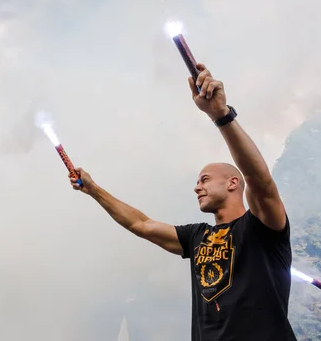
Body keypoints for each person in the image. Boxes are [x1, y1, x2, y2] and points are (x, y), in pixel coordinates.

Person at [70, 64, 297, 341]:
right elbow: (141, 224)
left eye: (204, 179)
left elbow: (259, 180)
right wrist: (94, 190)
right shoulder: (197, 237)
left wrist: (221, 116)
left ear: (232, 183)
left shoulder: (262, 226)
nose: (196, 187)